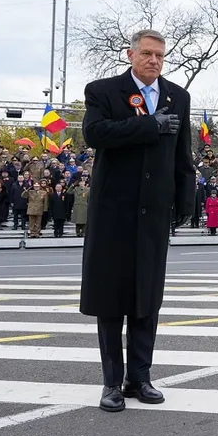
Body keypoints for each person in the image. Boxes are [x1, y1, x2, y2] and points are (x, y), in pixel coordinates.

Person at [80, 29, 195, 413]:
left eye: (160, 55)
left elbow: (183, 156)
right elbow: (95, 133)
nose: (154, 61)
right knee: (111, 298)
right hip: (113, 211)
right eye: (147, 53)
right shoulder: (103, 91)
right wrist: (149, 126)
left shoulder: (178, 96)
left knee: (147, 297)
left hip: (154, 211)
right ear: (131, 55)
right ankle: (112, 383)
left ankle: (140, 378)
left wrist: (185, 198)